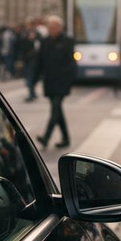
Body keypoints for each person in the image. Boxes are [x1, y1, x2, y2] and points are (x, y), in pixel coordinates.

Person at [35, 15, 77, 149]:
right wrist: (35, 79)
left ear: (60, 28)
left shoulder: (67, 41)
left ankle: (46, 138)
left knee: (55, 109)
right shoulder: (44, 41)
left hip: (62, 82)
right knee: (57, 110)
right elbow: (39, 61)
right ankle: (66, 138)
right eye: (49, 27)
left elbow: (71, 63)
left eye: (53, 27)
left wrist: (69, 79)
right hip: (49, 81)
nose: (51, 30)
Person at [20, 18, 43, 102]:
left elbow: (40, 44)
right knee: (28, 77)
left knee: (32, 77)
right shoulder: (25, 34)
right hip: (27, 58)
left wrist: (34, 38)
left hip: (35, 59)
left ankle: (32, 93)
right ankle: (31, 93)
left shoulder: (37, 34)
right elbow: (21, 45)